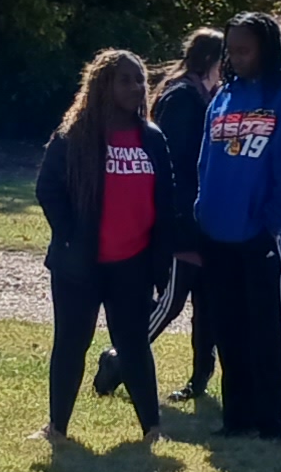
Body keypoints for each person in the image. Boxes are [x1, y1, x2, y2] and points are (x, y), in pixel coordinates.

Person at [34, 50, 187, 449]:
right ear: (104, 85)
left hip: (131, 264)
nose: (137, 87)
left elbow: (165, 204)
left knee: (134, 343)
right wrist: (69, 233)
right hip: (79, 265)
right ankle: (58, 428)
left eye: (140, 80)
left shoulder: (152, 138)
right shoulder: (74, 137)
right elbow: (47, 189)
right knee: (71, 343)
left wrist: (159, 261)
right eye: (126, 80)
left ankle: (152, 427)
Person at [190, 13, 281, 440]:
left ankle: (273, 420)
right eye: (231, 50)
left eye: (244, 49)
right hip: (217, 229)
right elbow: (207, 157)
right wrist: (202, 208)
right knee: (228, 326)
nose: (235, 57)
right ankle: (236, 416)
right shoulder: (223, 95)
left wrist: (272, 221)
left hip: (261, 233)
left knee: (266, 328)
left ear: (266, 49)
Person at [105, 28, 227, 409]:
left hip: (202, 219)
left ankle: (199, 377)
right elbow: (173, 163)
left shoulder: (201, 95)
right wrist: (179, 218)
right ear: (212, 60)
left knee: (207, 305)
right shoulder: (183, 98)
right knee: (172, 299)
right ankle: (118, 358)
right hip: (183, 218)